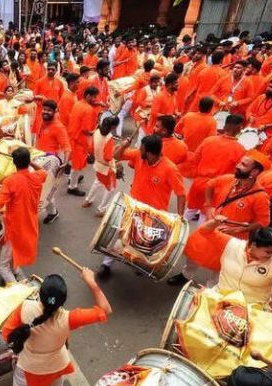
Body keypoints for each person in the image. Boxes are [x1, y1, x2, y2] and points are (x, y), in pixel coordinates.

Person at [1, 270, 112, 386]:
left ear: (39, 294)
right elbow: (106, 309)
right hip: (58, 362)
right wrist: (91, 282)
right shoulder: (70, 318)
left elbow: (6, 334)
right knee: (56, 378)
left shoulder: (25, 308)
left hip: (30, 367)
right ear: (63, 300)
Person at [182, 216, 272, 327]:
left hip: (251, 310)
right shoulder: (230, 245)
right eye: (268, 252)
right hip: (219, 300)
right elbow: (204, 231)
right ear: (253, 245)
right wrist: (215, 221)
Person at [98, 134, 186, 280]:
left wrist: (180, 217)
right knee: (119, 233)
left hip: (154, 214)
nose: (139, 150)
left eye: (142, 149)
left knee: (143, 242)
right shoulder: (139, 155)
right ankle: (106, 264)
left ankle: (136, 261)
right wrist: (124, 146)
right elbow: (115, 156)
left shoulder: (170, 169)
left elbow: (181, 194)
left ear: (151, 153)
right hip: (133, 206)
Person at [0, 147, 48, 284]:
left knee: (1, 266)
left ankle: (18, 289)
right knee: (13, 254)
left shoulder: (10, 181)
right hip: (30, 224)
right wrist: (30, 162)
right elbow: (43, 171)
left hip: (14, 229)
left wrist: (2, 191)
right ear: (28, 161)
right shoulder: (37, 177)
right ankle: (18, 274)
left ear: (14, 163)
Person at [180, 114, 247, 221]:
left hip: (200, 182)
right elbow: (238, 172)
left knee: (190, 210)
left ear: (224, 126)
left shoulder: (208, 141)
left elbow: (195, 160)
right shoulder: (240, 149)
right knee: (205, 216)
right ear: (239, 128)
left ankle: (178, 228)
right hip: (217, 188)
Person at [203, 151, 271, 239]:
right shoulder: (229, 179)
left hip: (232, 240)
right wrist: (209, 207)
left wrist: (238, 230)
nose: (237, 166)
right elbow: (210, 185)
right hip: (211, 230)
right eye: (239, 162)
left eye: (243, 165)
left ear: (254, 172)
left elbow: (264, 222)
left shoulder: (260, 196)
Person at [35, 100, 70, 224]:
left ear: (55, 112)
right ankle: (52, 212)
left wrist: (65, 163)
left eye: (49, 110)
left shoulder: (59, 127)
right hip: (38, 160)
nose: (46, 112)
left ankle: (52, 213)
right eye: (44, 109)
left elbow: (67, 147)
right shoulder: (41, 120)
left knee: (46, 191)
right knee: (43, 190)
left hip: (50, 164)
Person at [65, 86, 100, 196]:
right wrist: (94, 131)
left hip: (72, 137)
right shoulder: (89, 110)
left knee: (74, 162)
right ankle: (72, 187)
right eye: (94, 97)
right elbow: (86, 130)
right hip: (80, 140)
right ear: (88, 96)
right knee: (77, 165)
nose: (95, 99)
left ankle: (72, 178)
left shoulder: (78, 103)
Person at [82, 116, 121, 216]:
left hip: (98, 164)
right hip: (107, 167)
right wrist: (115, 151)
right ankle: (101, 210)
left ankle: (88, 200)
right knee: (110, 189)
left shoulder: (96, 132)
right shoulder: (109, 137)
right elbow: (108, 157)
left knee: (97, 182)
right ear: (113, 127)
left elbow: (91, 149)